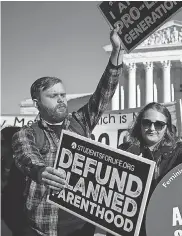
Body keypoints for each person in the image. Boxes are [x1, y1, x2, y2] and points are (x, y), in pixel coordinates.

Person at [11, 27, 124, 236]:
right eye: (53, 96)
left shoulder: (80, 122)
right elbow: (27, 157)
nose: (61, 99)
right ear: (37, 103)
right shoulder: (26, 133)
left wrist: (116, 51)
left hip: (84, 229)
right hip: (44, 229)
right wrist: (41, 171)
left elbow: (104, 93)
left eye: (63, 94)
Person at [118, 102, 182, 236]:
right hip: (128, 227)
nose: (151, 128)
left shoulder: (177, 151)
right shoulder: (125, 150)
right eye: (146, 123)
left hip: (162, 227)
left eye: (159, 124)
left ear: (166, 128)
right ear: (140, 124)